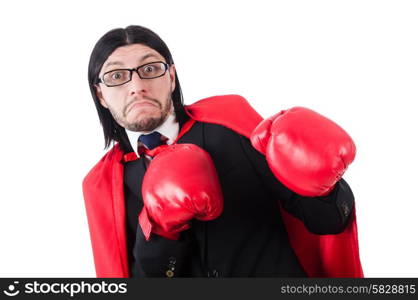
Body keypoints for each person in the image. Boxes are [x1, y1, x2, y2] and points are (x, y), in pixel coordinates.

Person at [83, 25, 363, 278]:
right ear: (101, 95)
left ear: (171, 76)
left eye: (150, 69)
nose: (137, 86)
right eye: (116, 76)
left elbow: (328, 221)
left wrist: (324, 186)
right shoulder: (104, 185)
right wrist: (160, 230)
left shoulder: (230, 123)